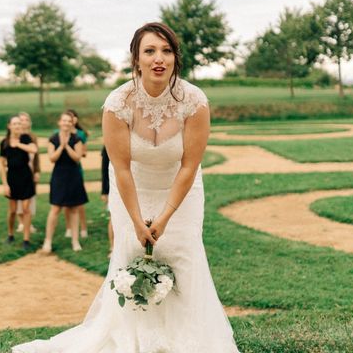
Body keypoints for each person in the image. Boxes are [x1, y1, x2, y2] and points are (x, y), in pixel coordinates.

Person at [13, 22, 239, 352]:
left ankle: (188, 342)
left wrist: (164, 217)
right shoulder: (118, 103)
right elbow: (120, 169)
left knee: (183, 257)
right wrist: (137, 220)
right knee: (132, 257)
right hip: (132, 191)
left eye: (166, 51)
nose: (158, 59)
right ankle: (136, 341)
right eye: (149, 51)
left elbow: (190, 165)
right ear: (136, 60)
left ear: (176, 57)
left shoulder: (195, 101)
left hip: (182, 192)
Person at [41, 112, 88, 253]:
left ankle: (75, 241)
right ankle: (47, 241)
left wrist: (67, 146)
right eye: (64, 121)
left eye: (69, 121)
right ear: (59, 122)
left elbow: (77, 158)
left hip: (73, 175)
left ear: (72, 123)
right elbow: (52, 158)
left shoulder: (77, 139)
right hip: (59, 175)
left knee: (74, 209)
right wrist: (61, 146)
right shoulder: (53, 139)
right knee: (55, 209)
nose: (67, 123)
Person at [0, 115, 38, 250]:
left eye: (19, 124)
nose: (17, 126)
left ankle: (26, 239)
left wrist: (19, 145)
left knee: (26, 209)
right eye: (14, 124)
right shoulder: (4, 142)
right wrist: (5, 184)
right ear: (9, 126)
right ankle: (10, 234)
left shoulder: (25, 138)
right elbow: (2, 165)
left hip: (26, 176)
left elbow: (34, 149)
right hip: (12, 178)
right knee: (13, 210)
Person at [63, 109, 89, 239]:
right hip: (63, 171)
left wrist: (77, 150)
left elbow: (84, 152)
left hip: (76, 170)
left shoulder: (80, 134)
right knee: (66, 202)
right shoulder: (59, 133)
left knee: (79, 202)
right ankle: (69, 228)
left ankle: (83, 227)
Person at [16, 111, 40, 234]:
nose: (24, 122)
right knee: (18, 198)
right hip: (17, 170)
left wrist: (37, 171)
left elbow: (36, 156)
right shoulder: (15, 136)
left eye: (26, 120)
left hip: (30, 169)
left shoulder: (33, 137)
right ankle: (21, 222)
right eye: (21, 120)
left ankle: (28, 223)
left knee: (29, 197)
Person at [100, 145, 114, 256]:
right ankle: (112, 247)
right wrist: (104, 191)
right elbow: (104, 169)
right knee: (113, 217)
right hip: (113, 187)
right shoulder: (107, 146)